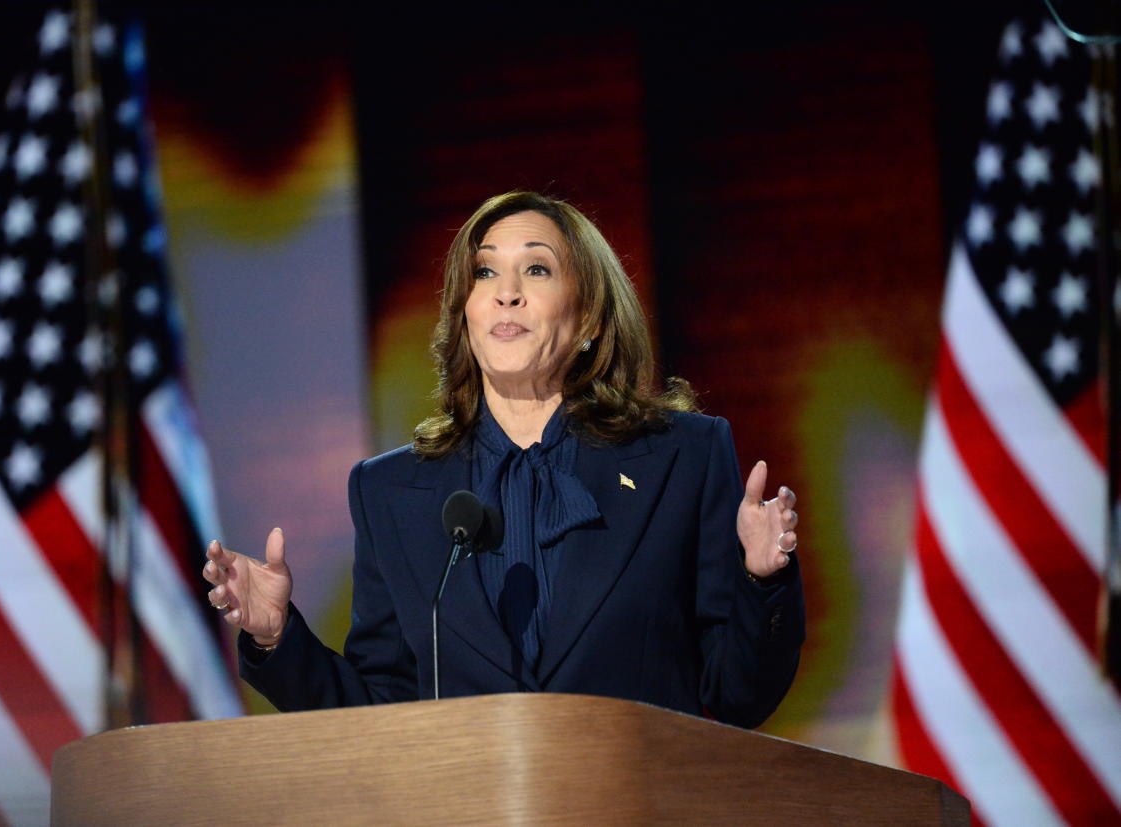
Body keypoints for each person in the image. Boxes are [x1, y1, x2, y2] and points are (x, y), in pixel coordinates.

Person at [202, 191, 804, 727]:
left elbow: (736, 697)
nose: (506, 293)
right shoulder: (390, 492)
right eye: (485, 272)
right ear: (466, 314)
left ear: (589, 316)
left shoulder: (681, 457)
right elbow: (382, 721)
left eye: (536, 269)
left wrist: (762, 580)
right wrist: (278, 639)